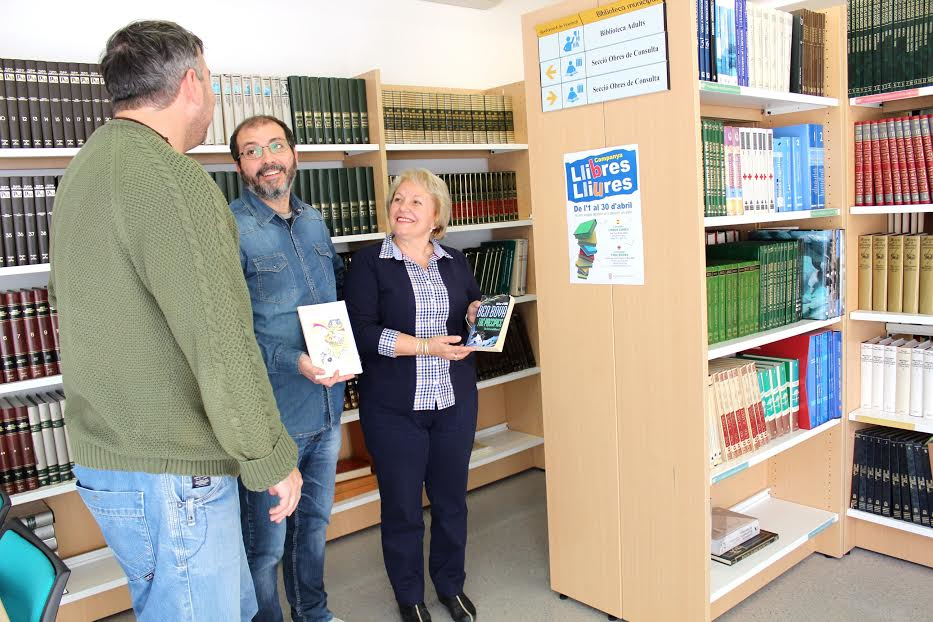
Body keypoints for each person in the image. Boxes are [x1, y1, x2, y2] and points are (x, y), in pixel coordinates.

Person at [48, 21, 300, 621]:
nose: (210, 94)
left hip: (109, 462)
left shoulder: (85, 169)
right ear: (191, 83)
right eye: (209, 80)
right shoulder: (171, 179)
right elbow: (219, 338)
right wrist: (270, 455)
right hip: (170, 473)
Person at [344, 168, 482, 622]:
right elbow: (362, 333)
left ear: (437, 215)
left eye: (416, 202)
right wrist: (424, 346)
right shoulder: (368, 263)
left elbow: (469, 314)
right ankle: (410, 597)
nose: (403, 208)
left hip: (453, 403)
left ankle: (450, 585)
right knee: (402, 508)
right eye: (398, 200)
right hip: (393, 409)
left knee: (451, 502)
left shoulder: (455, 261)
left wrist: (478, 313)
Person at [229, 114, 352, 622]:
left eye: (276, 146)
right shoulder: (228, 228)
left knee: (314, 529)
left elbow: (334, 299)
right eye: (253, 151)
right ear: (239, 165)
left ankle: (314, 614)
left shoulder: (314, 220)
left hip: (326, 409)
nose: (267, 159)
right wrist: (292, 361)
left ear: (294, 154)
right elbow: (228, 335)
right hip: (271, 419)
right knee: (266, 548)